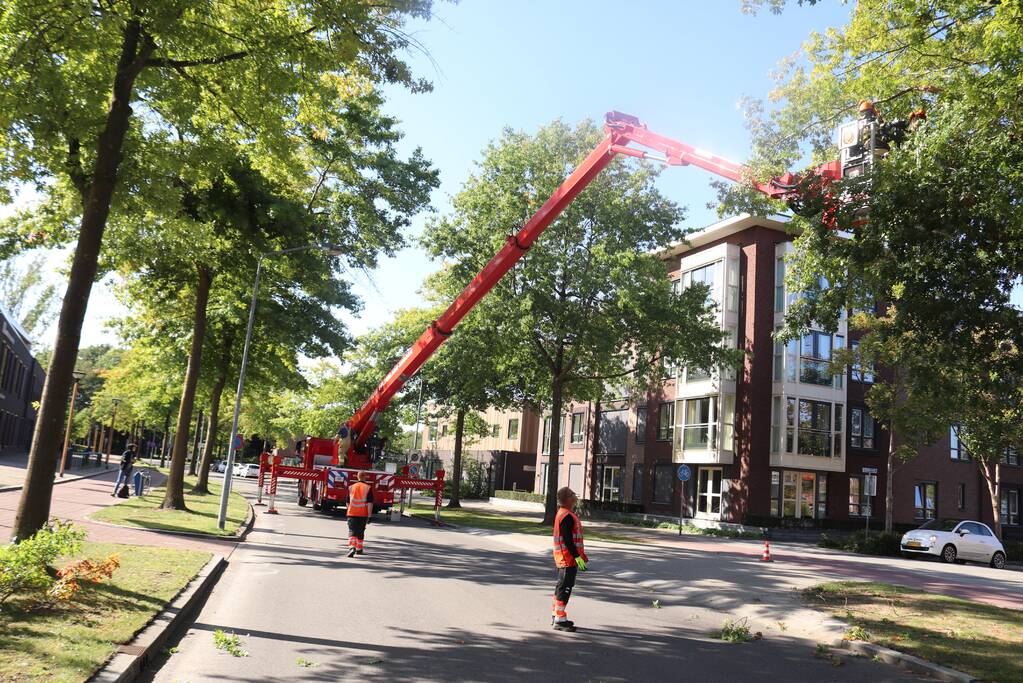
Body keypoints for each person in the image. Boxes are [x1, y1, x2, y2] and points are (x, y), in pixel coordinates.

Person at [552, 486, 588, 632]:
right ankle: (560, 619)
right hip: (567, 559)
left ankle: (556, 615)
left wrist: (580, 556)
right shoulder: (566, 516)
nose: (575, 495)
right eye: (573, 494)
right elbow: (567, 539)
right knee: (565, 588)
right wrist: (577, 556)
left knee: (561, 586)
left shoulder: (565, 514)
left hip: (566, 558)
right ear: (567, 499)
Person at [346, 470, 374, 558]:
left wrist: (350, 509)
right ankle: (359, 549)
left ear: (357, 477)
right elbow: (370, 503)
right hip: (363, 514)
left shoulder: (351, 487)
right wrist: (369, 516)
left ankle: (351, 547)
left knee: (352, 531)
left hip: (352, 513)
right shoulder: (367, 488)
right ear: (365, 477)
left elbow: (347, 502)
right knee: (360, 531)